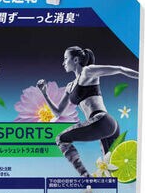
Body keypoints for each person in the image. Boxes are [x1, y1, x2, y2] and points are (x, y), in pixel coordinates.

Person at [37, 46, 138, 176]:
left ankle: (85, 176)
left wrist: (142, 77)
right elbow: (57, 112)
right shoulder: (69, 86)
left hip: (101, 120)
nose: (63, 63)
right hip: (104, 125)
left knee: (60, 139)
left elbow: (119, 69)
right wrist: (44, 94)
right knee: (109, 171)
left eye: (66, 59)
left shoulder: (87, 72)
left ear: (75, 60)